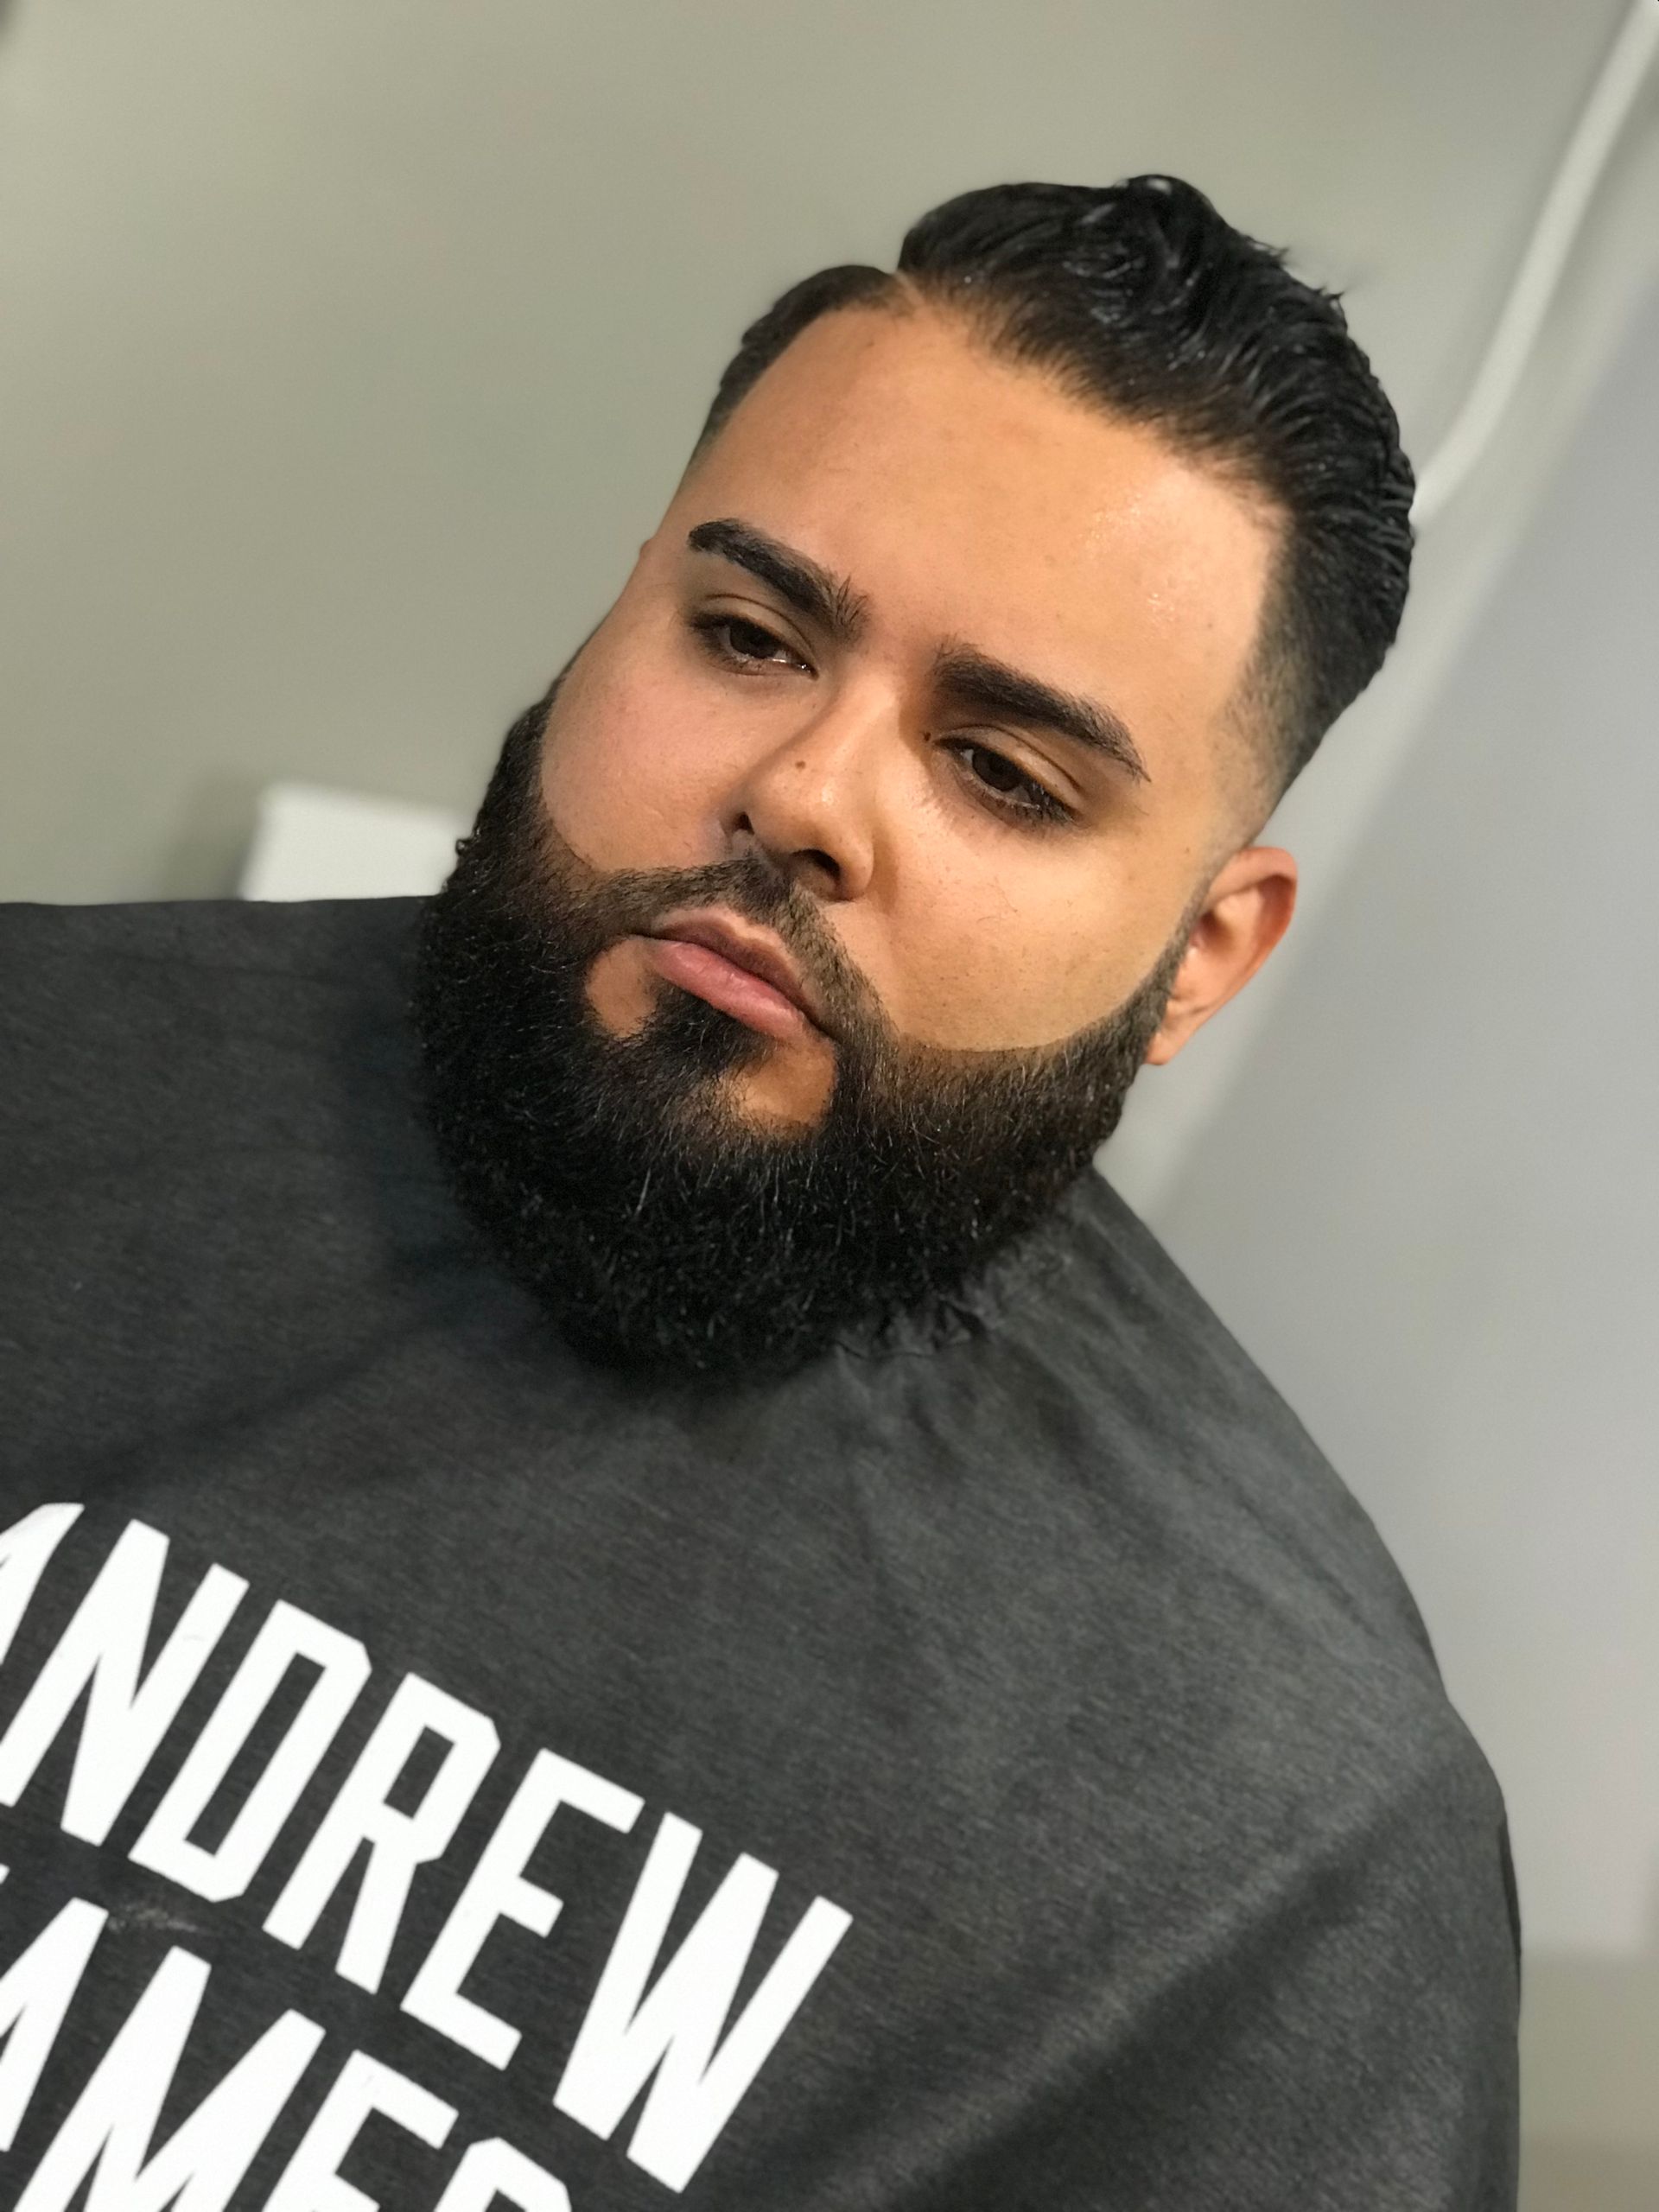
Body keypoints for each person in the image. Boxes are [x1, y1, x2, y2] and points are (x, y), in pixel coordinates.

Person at [0, 176, 1518, 2209]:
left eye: (1005, 772)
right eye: (746, 636)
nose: (804, 790)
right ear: (623, 600)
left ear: (1204, 955)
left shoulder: (1272, 1842)